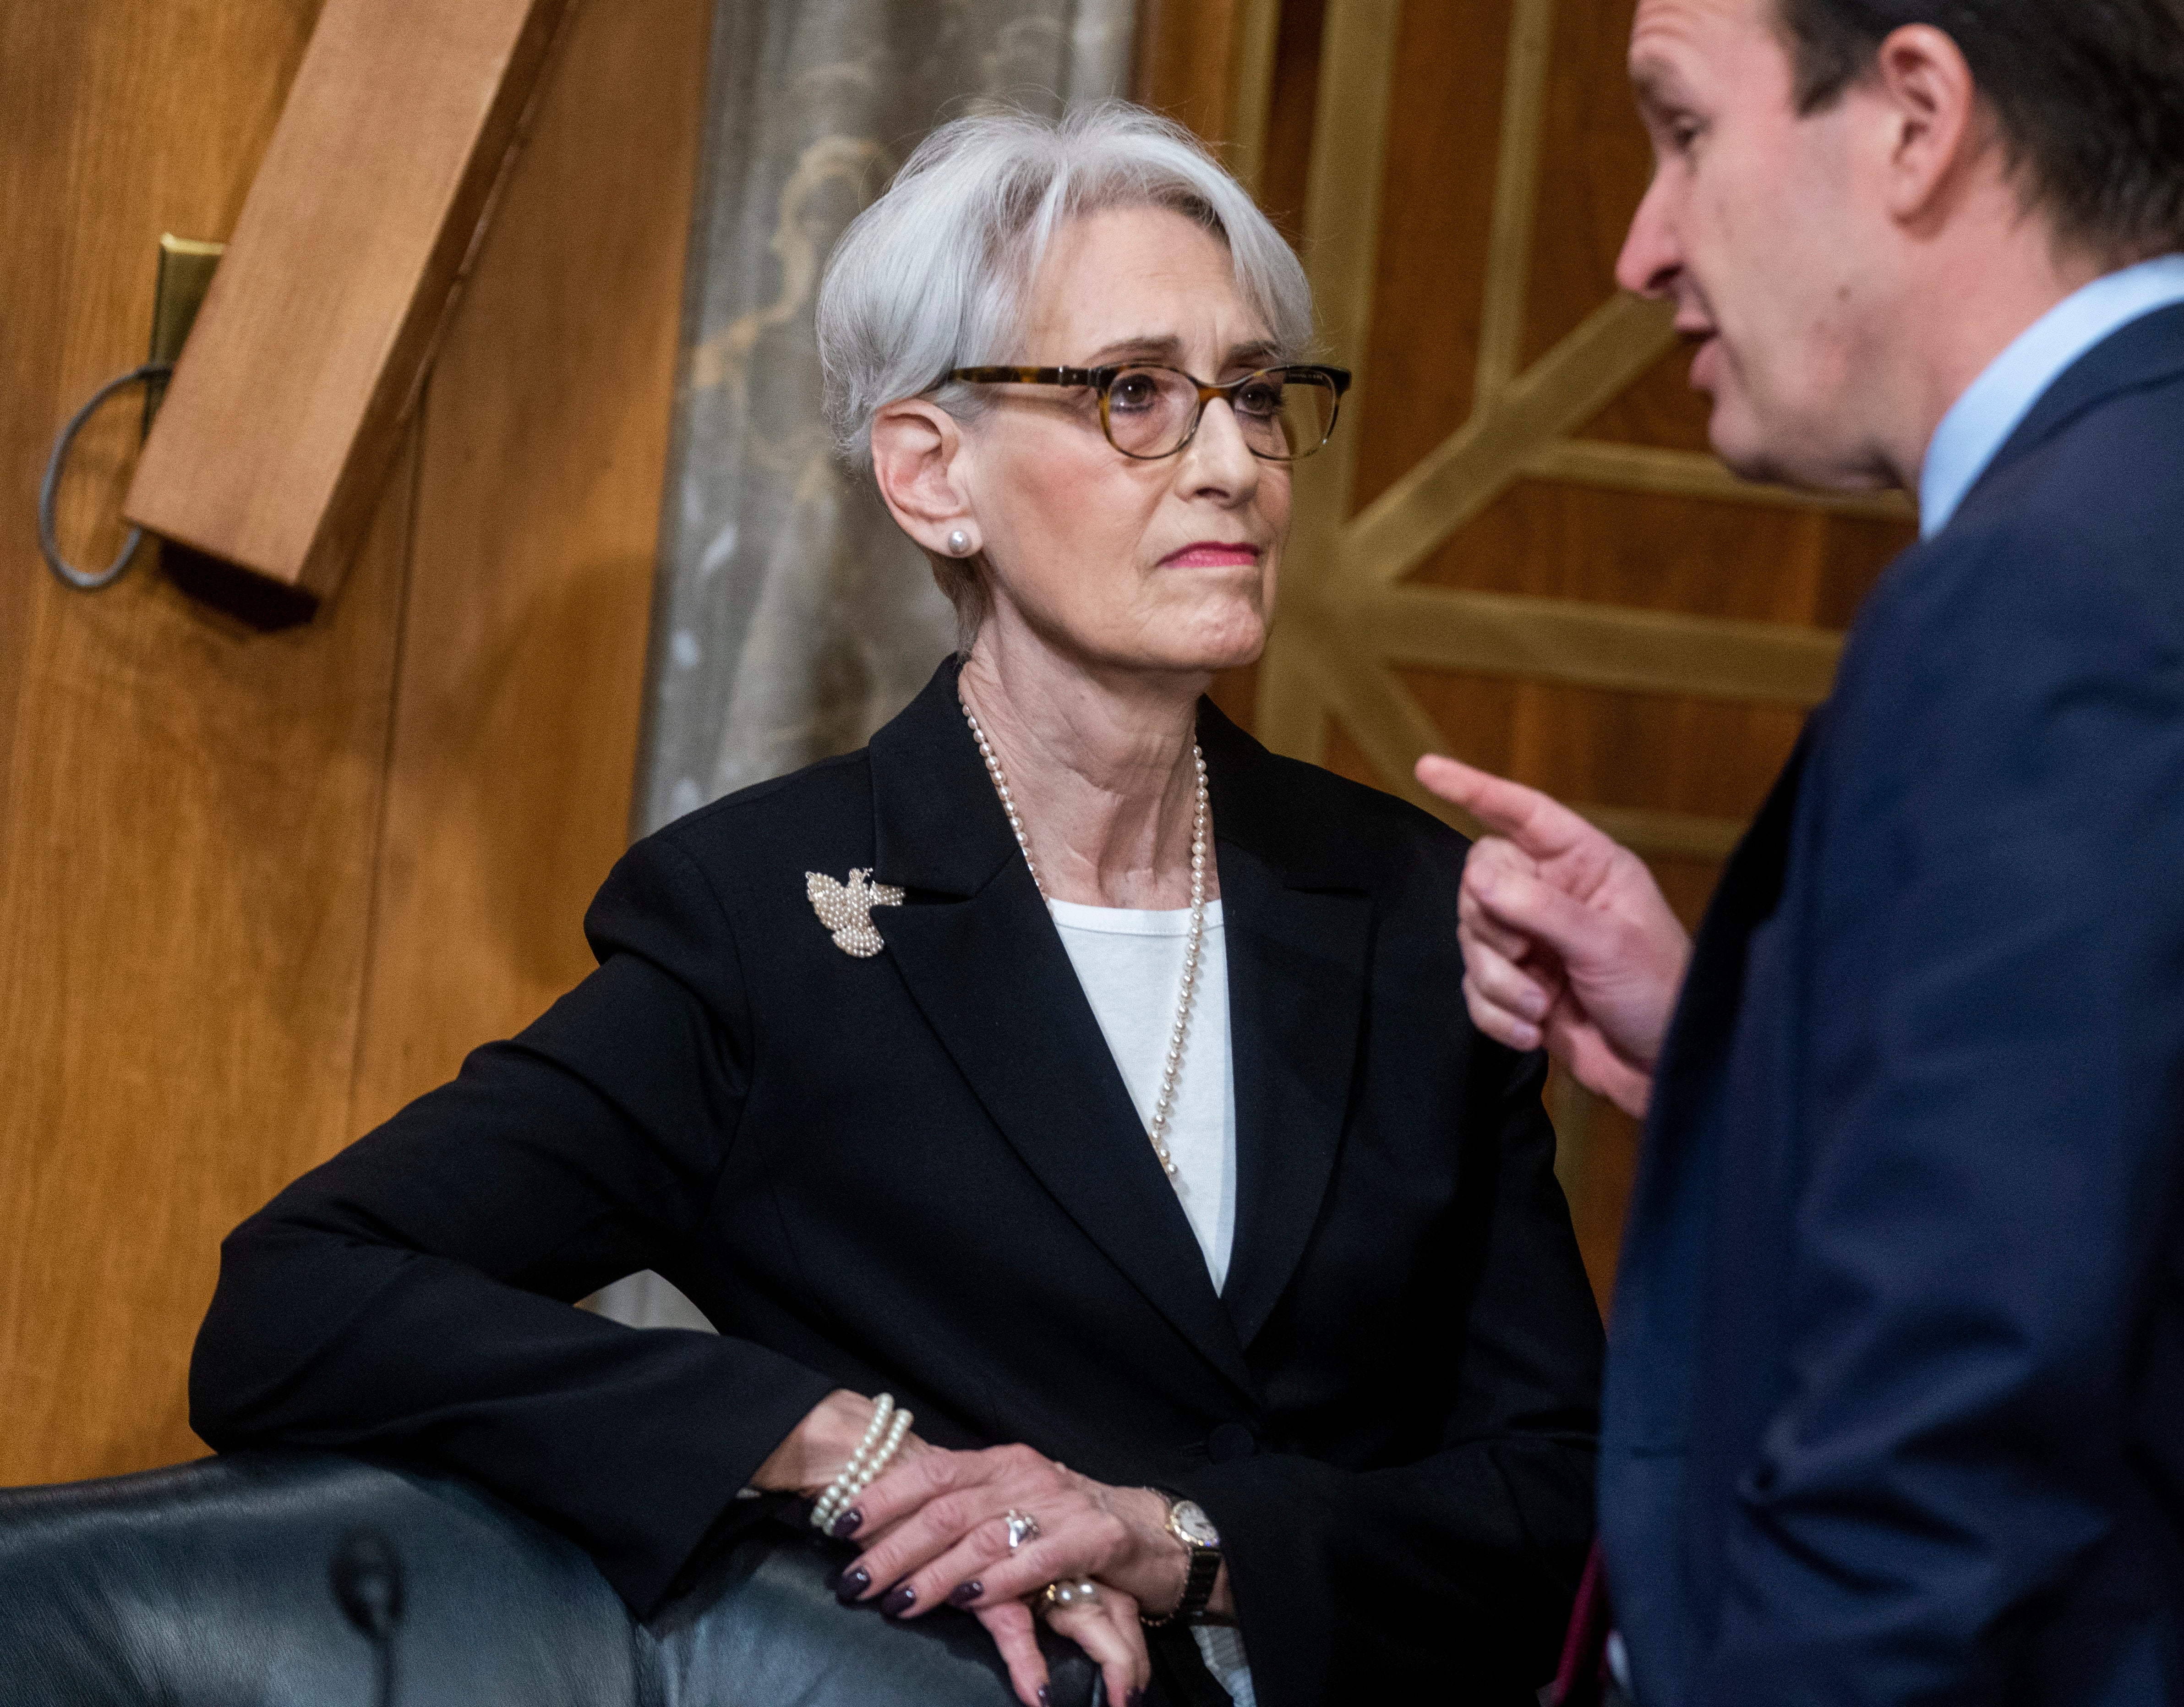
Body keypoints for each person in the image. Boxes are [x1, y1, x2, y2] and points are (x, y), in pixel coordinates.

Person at [191, 104, 1603, 1707]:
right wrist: (826, 1444)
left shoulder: (1414, 907)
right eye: (1135, 393)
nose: (1231, 465)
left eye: (1259, 395)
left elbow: (1568, 1496)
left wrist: (1187, 1538)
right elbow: (295, 1304)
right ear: (934, 474)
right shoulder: (764, 925)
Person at [1419, 2, 2184, 1702]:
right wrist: (1744, 1044)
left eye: (1682, 129)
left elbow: (1929, 1475)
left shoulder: (2054, 604)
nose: (1640, 247)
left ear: (1913, 115)